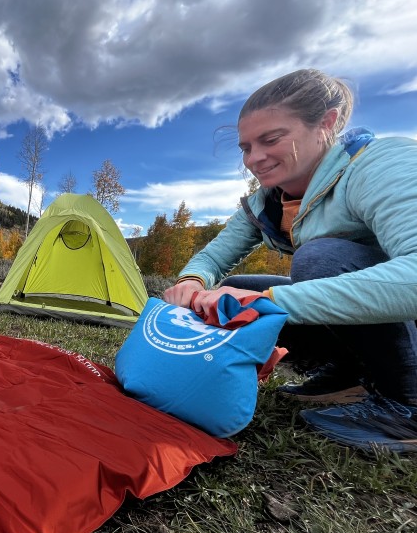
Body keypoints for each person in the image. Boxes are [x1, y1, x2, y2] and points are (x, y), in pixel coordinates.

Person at [162, 68, 417, 452]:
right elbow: (214, 255)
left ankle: (408, 405)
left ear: (326, 124)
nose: (255, 158)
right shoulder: (268, 202)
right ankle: (346, 377)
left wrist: (271, 303)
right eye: (246, 147)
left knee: (319, 259)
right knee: (236, 289)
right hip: (379, 322)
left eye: (271, 139)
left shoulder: (378, 163)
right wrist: (192, 282)